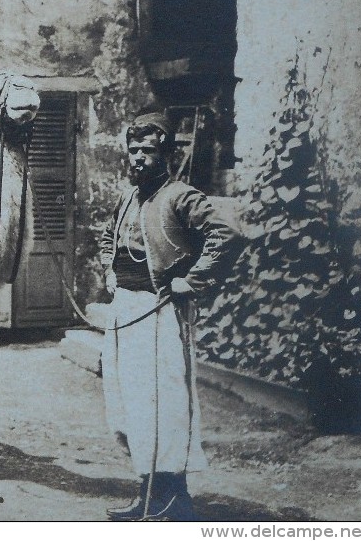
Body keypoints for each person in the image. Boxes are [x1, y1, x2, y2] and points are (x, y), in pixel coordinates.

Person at [98, 111, 239, 521]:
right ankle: (147, 493)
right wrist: (110, 267)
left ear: (165, 153)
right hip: (124, 310)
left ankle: (174, 498)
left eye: (148, 150)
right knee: (129, 404)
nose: (139, 157)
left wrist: (191, 281)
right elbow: (110, 236)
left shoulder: (180, 196)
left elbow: (227, 233)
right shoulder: (128, 197)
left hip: (158, 311)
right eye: (133, 150)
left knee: (163, 404)